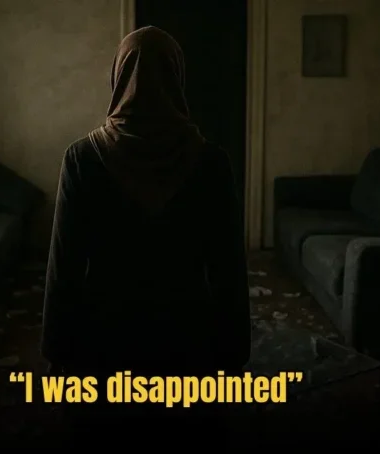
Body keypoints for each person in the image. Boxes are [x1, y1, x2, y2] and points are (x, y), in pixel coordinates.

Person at [41, 26, 251, 451]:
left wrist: (56, 352)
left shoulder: (82, 159)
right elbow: (228, 269)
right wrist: (234, 353)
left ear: (118, 78)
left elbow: (64, 268)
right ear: (178, 79)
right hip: (187, 341)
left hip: (104, 343)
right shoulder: (211, 163)